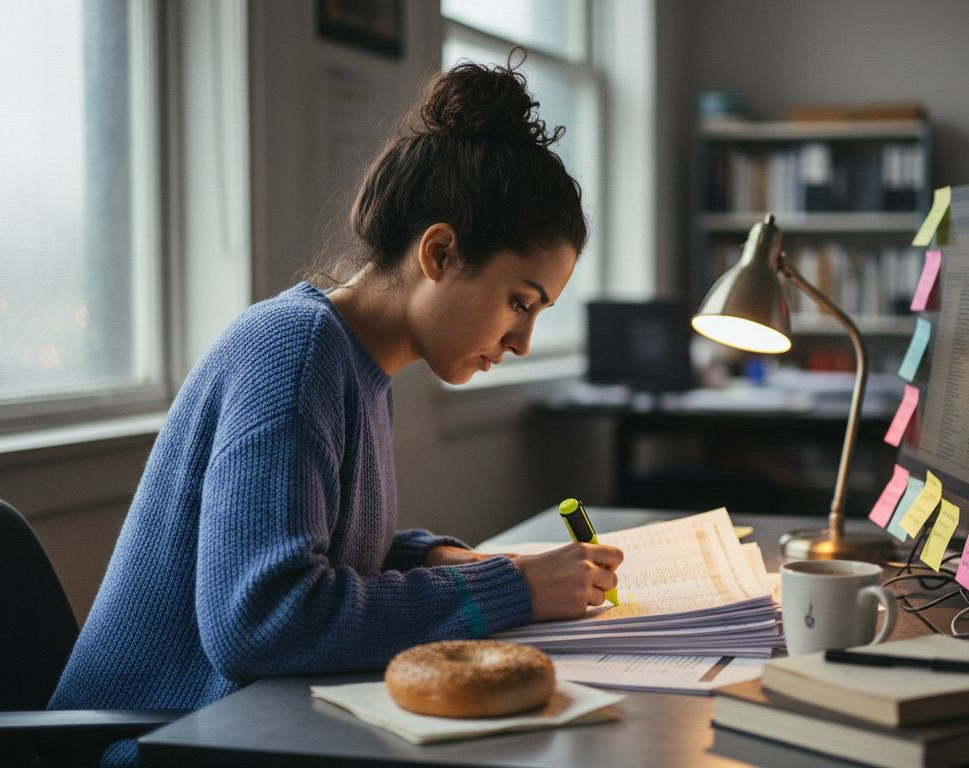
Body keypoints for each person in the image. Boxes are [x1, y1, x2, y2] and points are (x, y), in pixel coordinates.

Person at [49, 53, 623, 766]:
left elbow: (321, 542)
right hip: (158, 746)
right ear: (439, 252)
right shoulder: (294, 354)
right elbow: (262, 621)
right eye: (520, 302)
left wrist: (440, 557)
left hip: (244, 730)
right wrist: (508, 589)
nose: (523, 342)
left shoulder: (354, 361)